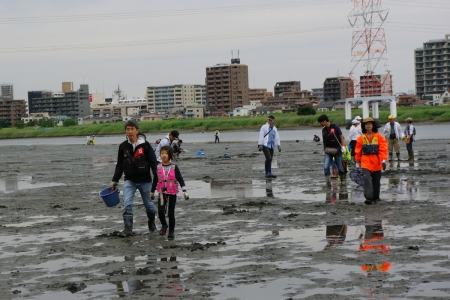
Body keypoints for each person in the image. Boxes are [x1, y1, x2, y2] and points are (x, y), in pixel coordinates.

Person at [111, 120, 158, 237]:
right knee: (126, 204)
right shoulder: (123, 146)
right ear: (125, 131)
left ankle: (152, 225)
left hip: (145, 180)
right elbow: (120, 164)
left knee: (150, 206)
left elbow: (153, 163)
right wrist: (115, 179)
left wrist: (158, 178)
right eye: (128, 129)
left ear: (137, 130)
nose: (130, 131)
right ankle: (128, 229)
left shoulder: (146, 145)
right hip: (129, 180)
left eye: (132, 129)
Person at [151, 146, 188, 239]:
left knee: (171, 213)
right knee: (160, 211)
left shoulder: (174, 167)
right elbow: (155, 180)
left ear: (170, 155)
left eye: (166, 153)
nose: (164, 155)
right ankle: (164, 225)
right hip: (162, 193)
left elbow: (180, 179)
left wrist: (184, 190)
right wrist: (152, 192)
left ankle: (171, 231)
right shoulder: (158, 167)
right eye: (162, 153)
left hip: (172, 192)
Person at [355, 117, 388, 205]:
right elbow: (358, 151)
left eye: (370, 124)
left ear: (373, 125)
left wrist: (383, 160)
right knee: (366, 179)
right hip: (365, 161)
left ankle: (376, 197)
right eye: (366, 124)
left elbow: (383, 149)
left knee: (376, 181)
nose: (368, 125)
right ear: (364, 126)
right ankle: (369, 198)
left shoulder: (379, 136)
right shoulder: (360, 138)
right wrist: (357, 164)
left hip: (376, 161)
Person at [318, 114, 347, 186]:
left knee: (340, 167)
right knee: (326, 166)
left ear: (325, 121)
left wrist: (343, 146)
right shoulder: (324, 130)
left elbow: (341, 136)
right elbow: (324, 140)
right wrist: (323, 150)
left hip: (337, 149)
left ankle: (343, 181)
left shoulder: (335, 127)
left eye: (321, 122)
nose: (320, 124)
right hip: (328, 150)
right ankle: (328, 182)